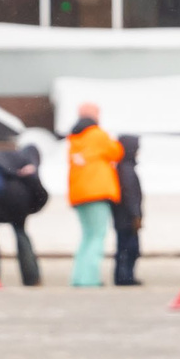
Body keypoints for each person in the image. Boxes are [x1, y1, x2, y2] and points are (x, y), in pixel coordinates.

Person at [66, 103, 124, 287]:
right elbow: (117, 152)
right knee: (97, 236)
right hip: (97, 193)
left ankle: (78, 278)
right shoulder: (97, 134)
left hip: (79, 194)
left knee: (86, 236)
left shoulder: (75, 139)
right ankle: (89, 279)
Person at [0, 142, 45, 286]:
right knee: (20, 232)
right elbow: (40, 193)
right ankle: (32, 277)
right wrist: (29, 207)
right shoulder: (28, 164)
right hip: (18, 202)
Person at [114, 135, 145, 286]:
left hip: (122, 217)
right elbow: (130, 194)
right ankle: (125, 277)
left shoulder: (122, 167)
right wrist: (136, 215)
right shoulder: (126, 169)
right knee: (129, 248)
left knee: (124, 248)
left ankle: (123, 276)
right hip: (126, 218)